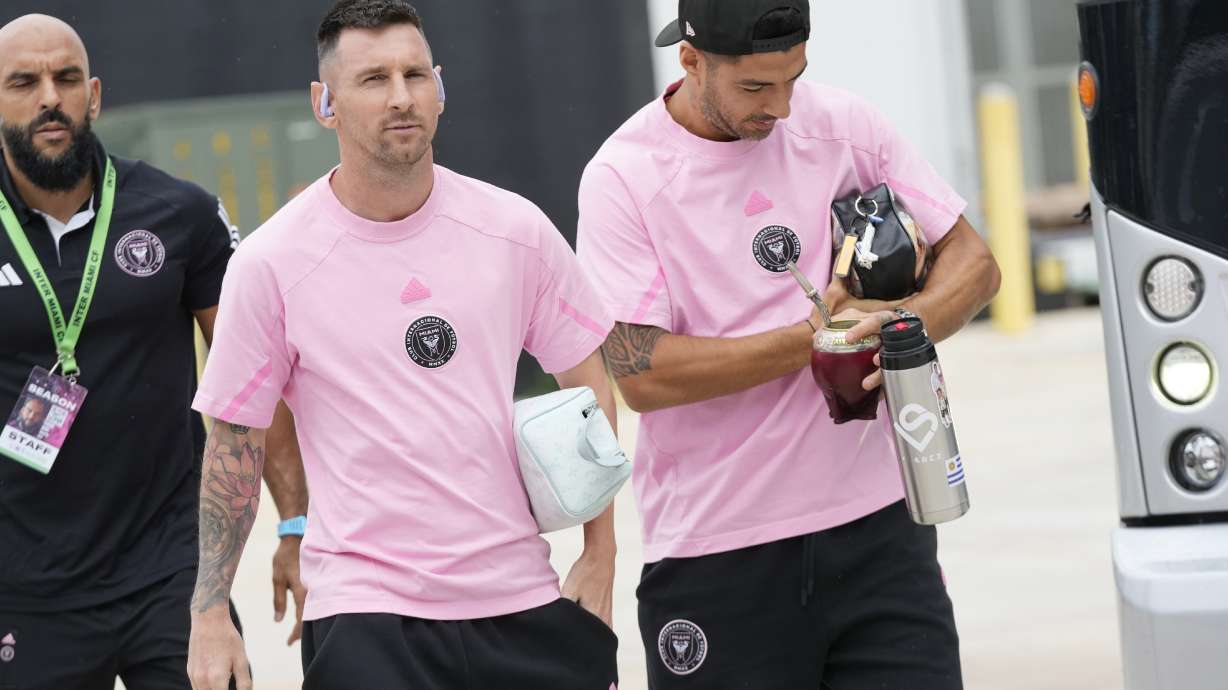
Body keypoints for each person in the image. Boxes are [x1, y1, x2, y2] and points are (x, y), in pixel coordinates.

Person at [185, 2, 620, 689]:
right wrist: (210, 613)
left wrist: (601, 550)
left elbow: (588, 383)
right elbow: (233, 444)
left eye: (415, 74)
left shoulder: (514, 230)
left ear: (439, 88)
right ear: (323, 103)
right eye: (372, 79)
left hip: (524, 600)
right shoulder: (271, 263)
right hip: (366, 618)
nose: (400, 97)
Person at [576, 1, 1001, 688]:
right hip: (717, 555)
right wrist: (813, 337)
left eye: (793, 80)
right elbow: (641, 374)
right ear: (690, 62)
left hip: (882, 536)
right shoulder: (623, 177)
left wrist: (904, 324)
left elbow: (975, 262)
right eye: (754, 88)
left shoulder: (845, 126)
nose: (780, 107)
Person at [0, 14, 307, 690]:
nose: (49, 96)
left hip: (175, 574)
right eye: (24, 82)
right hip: (23, 584)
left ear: (96, 95)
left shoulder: (180, 214)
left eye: (67, 78)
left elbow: (255, 383)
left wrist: (296, 521)